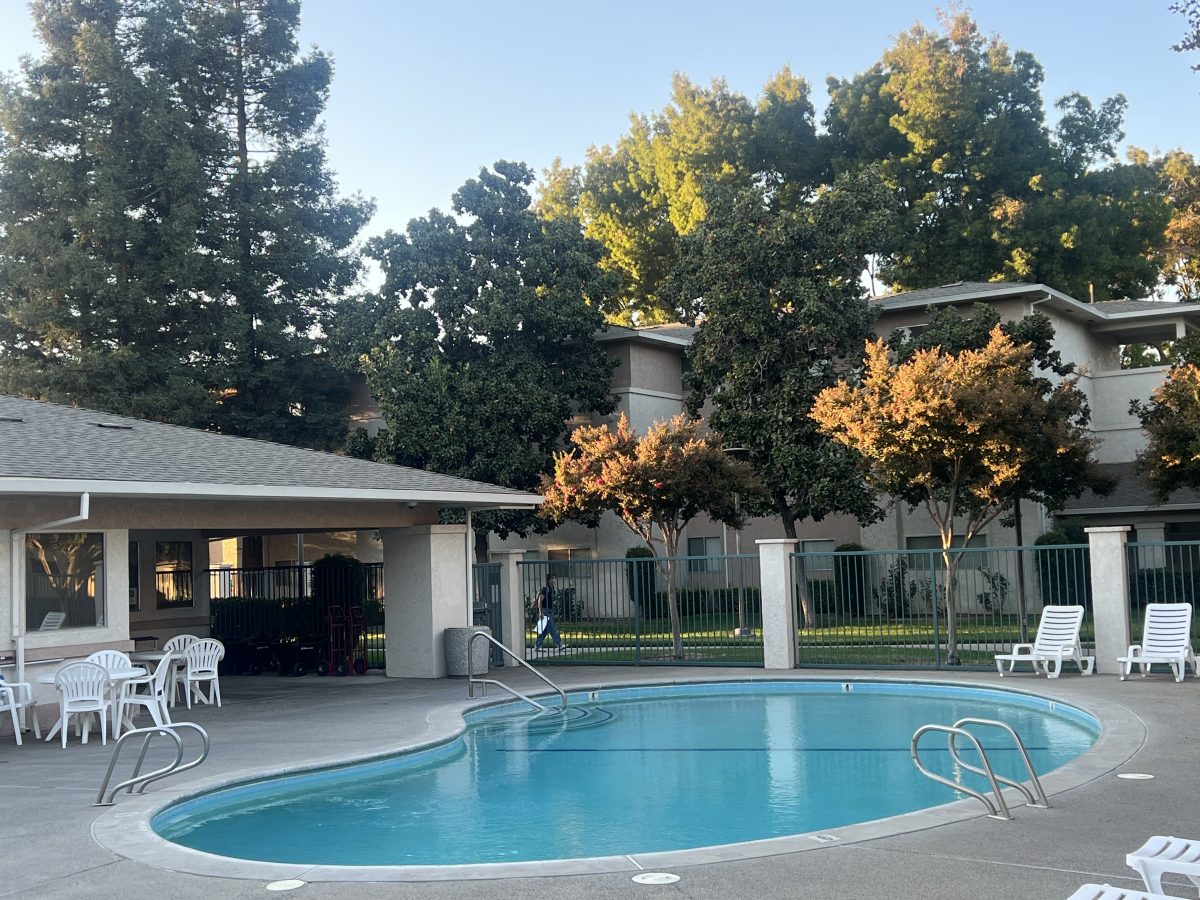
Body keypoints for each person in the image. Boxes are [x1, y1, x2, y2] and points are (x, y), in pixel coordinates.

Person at [533, 573, 568, 651]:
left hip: (550, 611)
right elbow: (539, 601)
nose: (554, 580)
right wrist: (540, 612)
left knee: (544, 630)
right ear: (548, 580)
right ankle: (559, 645)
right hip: (545, 611)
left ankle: (537, 645)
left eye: (555, 578)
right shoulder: (545, 589)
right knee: (553, 629)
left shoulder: (552, 589)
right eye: (552, 578)